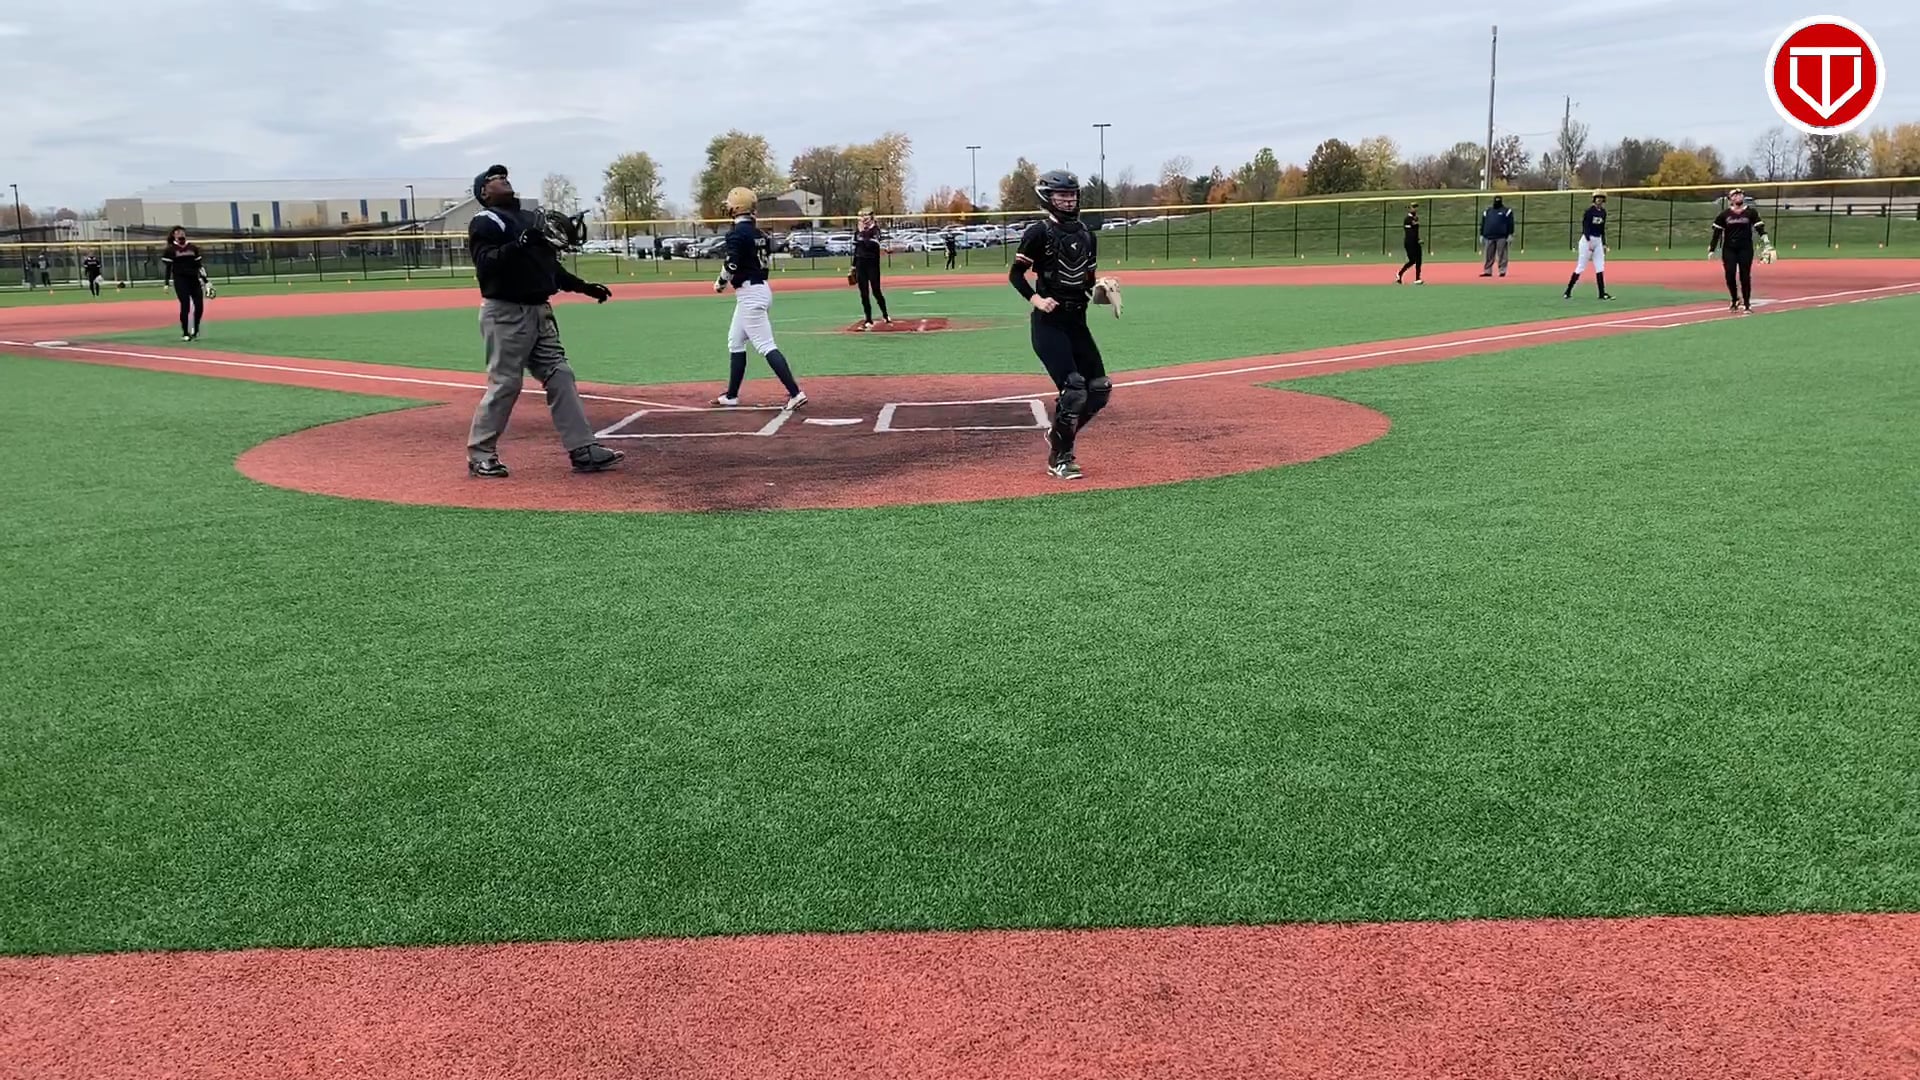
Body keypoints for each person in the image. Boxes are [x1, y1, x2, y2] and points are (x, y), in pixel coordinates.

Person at [463, 163, 624, 479]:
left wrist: (583, 287)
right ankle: (480, 454)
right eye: (494, 178)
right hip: (506, 312)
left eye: (504, 176)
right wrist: (518, 244)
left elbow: (548, 267)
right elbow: (485, 264)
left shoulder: (528, 218)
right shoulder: (485, 221)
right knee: (506, 384)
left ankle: (583, 449)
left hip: (539, 310)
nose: (502, 179)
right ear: (483, 192)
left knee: (560, 374)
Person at [1011, 169, 1112, 481]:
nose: (1069, 200)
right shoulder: (1039, 233)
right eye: (1062, 195)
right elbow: (1016, 274)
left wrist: (1102, 289)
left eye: (1072, 195)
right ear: (1048, 197)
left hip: (1077, 321)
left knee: (1099, 389)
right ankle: (1060, 457)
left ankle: (1058, 435)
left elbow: (1087, 280)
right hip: (1049, 323)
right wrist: (1036, 299)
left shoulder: (1086, 234)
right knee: (1074, 389)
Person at [711, 186, 806, 409]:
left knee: (765, 345)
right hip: (757, 289)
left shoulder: (737, 234)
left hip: (750, 294)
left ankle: (795, 393)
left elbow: (731, 264)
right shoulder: (759, 234)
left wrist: (720, 283)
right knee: (735, 340)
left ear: (736, 208)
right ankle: (731, 395)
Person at [1709, 188, 1773, 313]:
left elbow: (1760, 228)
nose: (1738, 196)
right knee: (1730, 274)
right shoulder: (1725, 214)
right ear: (1730, 199)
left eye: (1740, 194)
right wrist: (1712, 248)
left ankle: (1747, 304)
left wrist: (1767, 243)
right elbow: (1717, 232)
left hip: (1745, 248)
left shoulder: (1750, 212)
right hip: (1729, 248)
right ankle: (1734, 299)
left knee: (1745, 276)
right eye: (1735, 195)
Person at [160, 227, 208, 340]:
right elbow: (168, 268)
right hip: (181, 280)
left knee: (199, 306)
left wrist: (206, 281)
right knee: (185, 305)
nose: (180, 234)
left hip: (194, 279)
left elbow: (199, 266)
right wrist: (166, 283)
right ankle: (185, 332)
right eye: (177, 232)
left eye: (182, 232)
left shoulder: (193, 248)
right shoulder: (170, 250)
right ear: (173, 235)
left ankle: (195, 329)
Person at [1563, 191, 1613, 301]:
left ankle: (1602, 293)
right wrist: (1589, 241)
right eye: (1597, 197)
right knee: (1581, 266)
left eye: (1601, 198)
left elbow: (1602, 229)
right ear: (1594, 199)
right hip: (1587, 240)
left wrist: (1604, 244)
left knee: (1600, 266)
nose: (1599, 199)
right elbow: (1585, 227)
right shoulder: (1589, 211)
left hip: (1598, 240)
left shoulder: (1603, 212)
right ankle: (1568, 291)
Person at [850, 207, 891, 329]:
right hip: (861, 264)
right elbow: (857, 249)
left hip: (872, 264)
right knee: (864, 293)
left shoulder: (875, 230)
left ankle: (885, 314)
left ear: (871, 217)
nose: (863, 219)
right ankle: (868, 319)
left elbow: (870, 245)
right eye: (861, 216)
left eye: (865, 216)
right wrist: (853, 265)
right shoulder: (858, 231)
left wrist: (862, 232)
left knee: (876, 291)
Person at [1480, 195, 1515, 277]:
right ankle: (1487, 271)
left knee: (1502, 254)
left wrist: (1510, 234)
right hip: (1489, 236)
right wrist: (1481, 234)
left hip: (1502, 236)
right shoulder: (1488, 211)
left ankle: (1502, 270)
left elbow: (1511, 223)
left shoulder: (1507, 211)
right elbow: (1483, 223)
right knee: (1488, 254)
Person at [1395, 202, 1423, 285]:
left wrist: (1418, 239)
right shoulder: (1407, 219)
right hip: (1409, 242)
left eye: (1416, 207)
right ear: (1410, 209)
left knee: (1419, 260)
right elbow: (1410, 233)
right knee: (1412, 260)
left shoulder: (1416, 218)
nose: (1415, 209)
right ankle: (1400, 273)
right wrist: (1416, 240)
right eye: (1413, 207)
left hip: (1416, 242)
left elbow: (1416, 231)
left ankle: (1417, 279)